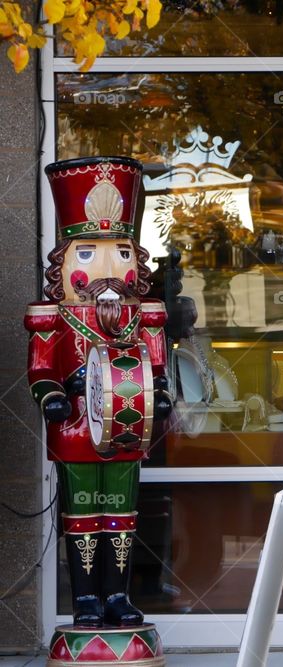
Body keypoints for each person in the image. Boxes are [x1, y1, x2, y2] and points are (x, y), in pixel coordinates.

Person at [25, 156, 172, 627]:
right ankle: (85, 598)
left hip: (130, 430)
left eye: (122, 253)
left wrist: (162, 391)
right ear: (63, 263)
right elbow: (40, 368)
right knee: (82, 514)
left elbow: (156, 368)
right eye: (87, 253)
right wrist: (50, 394)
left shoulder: (144, 315)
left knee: (122, 514)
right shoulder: (52, 318)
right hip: (74, 429)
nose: (109, 267)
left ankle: (118, 596)